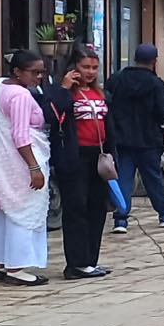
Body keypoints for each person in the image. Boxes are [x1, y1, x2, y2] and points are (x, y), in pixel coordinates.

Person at [0, 51, 54, 286]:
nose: (39, 77)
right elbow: (20, 135)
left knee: (2, 215)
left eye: (42, 72)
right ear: (17, 72)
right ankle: (16, 268)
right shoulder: (20, 95)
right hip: (17, 164)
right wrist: (34, 167)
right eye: (34, 72)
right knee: (23, 214)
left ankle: (2, 264)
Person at [41, 47, 113, 279]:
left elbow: (110, 128)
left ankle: (90, 261)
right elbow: (50, 117)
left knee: (97, 208)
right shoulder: (60, 93)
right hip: (74, 158)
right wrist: (64, 87)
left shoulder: (102, 94)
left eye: (94, 68)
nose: (90, 72)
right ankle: (76, 263)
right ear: (74, 68)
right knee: (76, 209)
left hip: (99, 157)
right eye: (85, 67)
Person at [108, 43, 164, 233]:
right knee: (153, 178)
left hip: (122, 139)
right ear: (154, 61)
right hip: (148, 139)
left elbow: (109, 104)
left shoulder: (117, 79)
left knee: (124, 178)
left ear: (134, 58)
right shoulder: (155, 84)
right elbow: (162, 111)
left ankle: (120, 219)